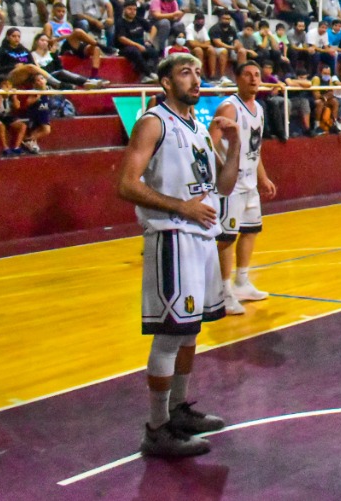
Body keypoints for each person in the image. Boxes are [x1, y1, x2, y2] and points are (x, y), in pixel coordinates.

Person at [116, 53, 240, 459]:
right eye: (185, 72)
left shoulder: (198, 127)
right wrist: (180, 206)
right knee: (170, 334)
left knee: (190, 330)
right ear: (166, 83)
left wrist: (234, 145)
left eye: (198, 73)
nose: (195, 79)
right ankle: (156, 428)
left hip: (201, 237)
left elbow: (221, 186)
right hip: (171, 237)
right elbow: (126, 184)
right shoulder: (154, 122)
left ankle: (178, 409)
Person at [210, 61, 277, 316]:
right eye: (247, 75)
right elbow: (209, 143)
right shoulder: (229, 107)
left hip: (250, 183)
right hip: (232, 186)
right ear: (237, 79)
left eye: (257, 74)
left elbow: (255, 148)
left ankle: (242, 282)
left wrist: (263, 177)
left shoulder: (258, 108)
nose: (253, 79)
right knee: (227, 238)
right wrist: (224, 172)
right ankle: (222, 291)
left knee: (250, 231)